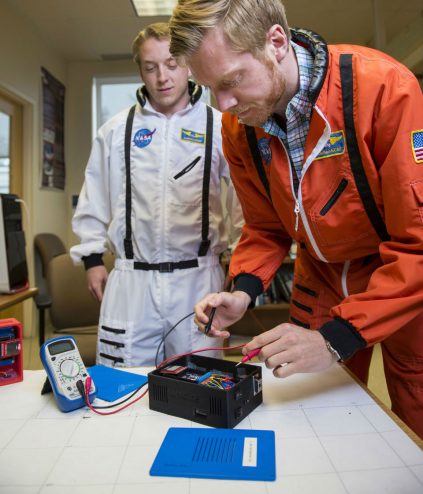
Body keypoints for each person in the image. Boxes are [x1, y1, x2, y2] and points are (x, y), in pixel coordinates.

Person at [169, 0, 423, 438]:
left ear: (276, 42)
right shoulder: (239, 126)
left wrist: (333, 340)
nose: (223, 104)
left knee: (417, 404)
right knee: (316, 414)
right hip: (319, 278)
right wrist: (244, 291)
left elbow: (417, 244)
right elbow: (265, 226)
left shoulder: (383, 88)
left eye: (230, 81)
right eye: (209, 87)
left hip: (399, 280)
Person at [70, 22, 243, 368]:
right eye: (151, 67)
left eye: (172, 64)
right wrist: (91, 259)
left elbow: (244, 202)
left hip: (198, 281)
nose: (162, 76)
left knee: (199, 386)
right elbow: (94, 197)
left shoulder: (220, 126)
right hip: (132, 283)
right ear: (140, 70)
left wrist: (243, 264)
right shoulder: (115, 131)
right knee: (122, 387)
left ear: (189, 64)